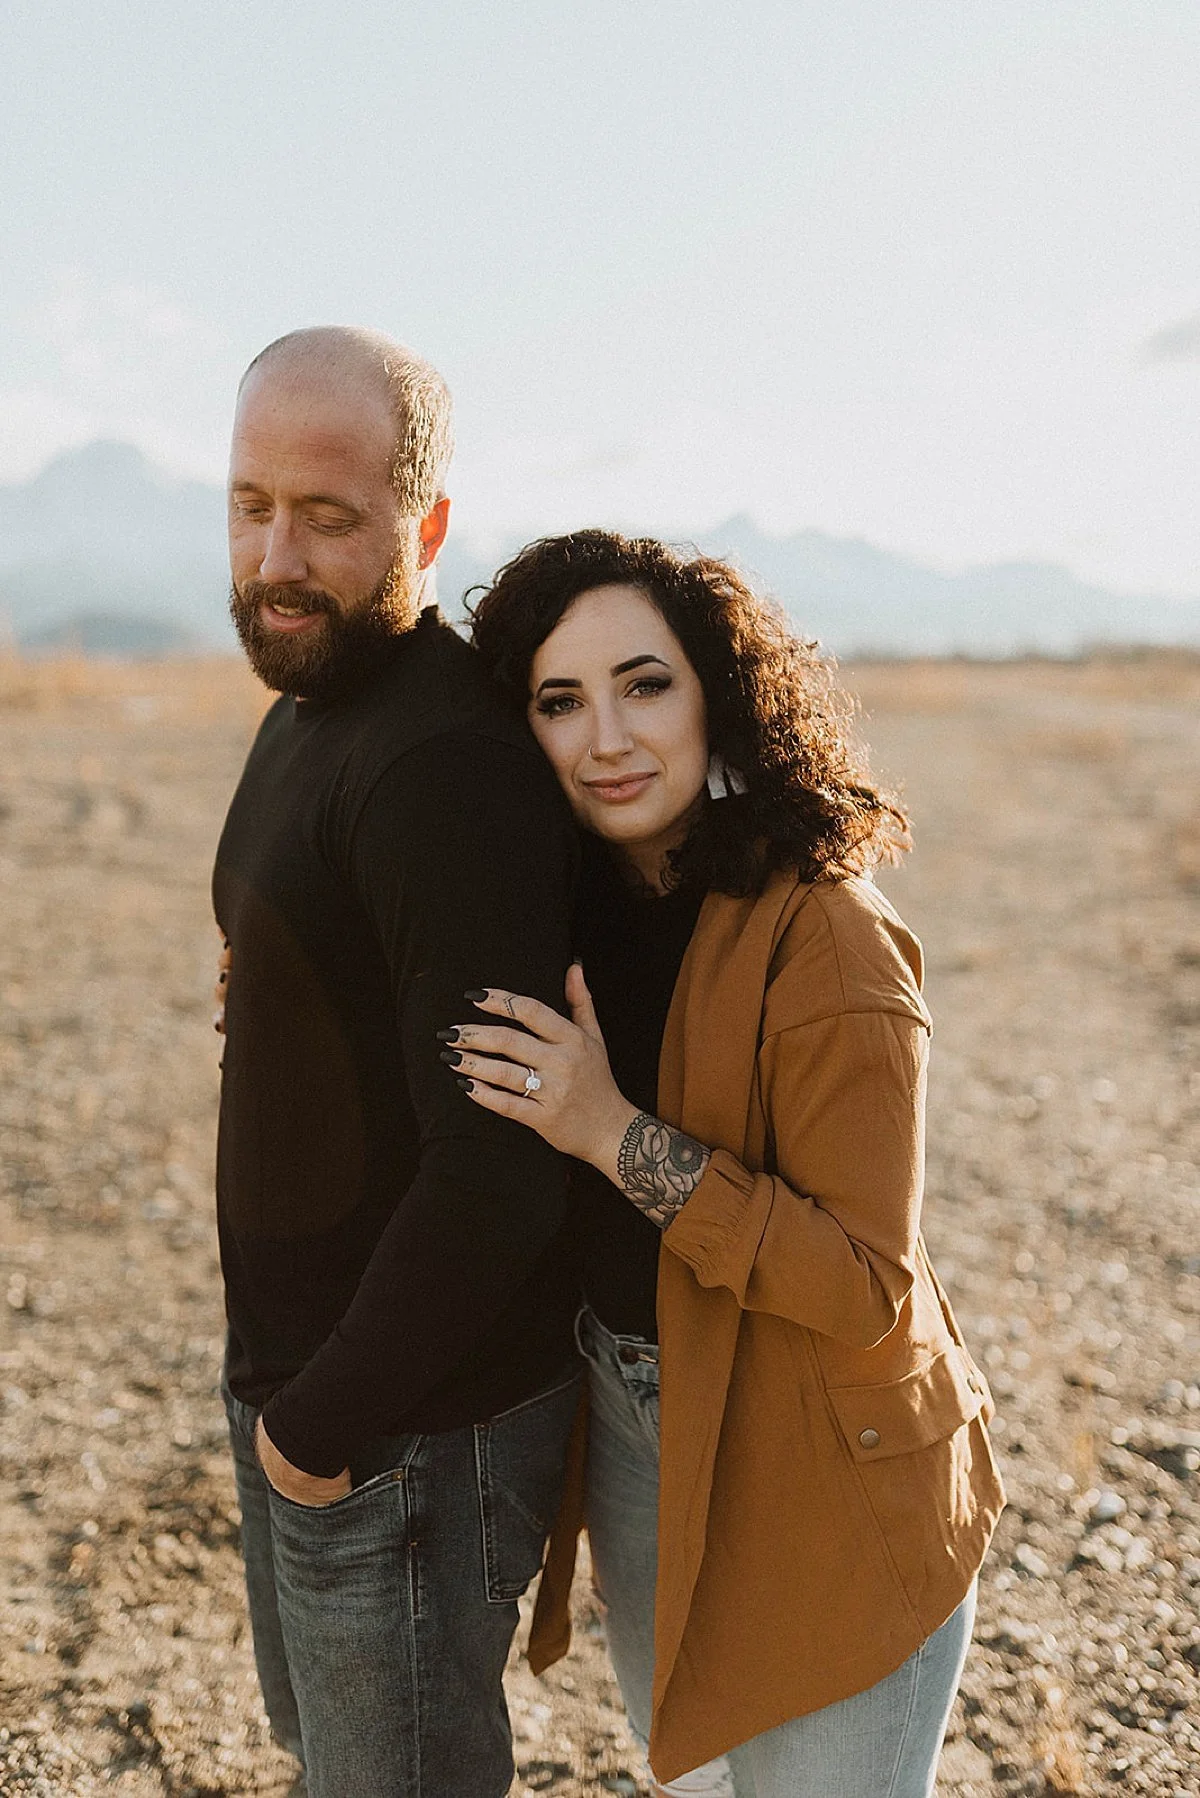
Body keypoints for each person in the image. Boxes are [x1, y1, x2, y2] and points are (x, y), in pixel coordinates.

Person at [449, 531, 1006, 1798]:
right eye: (559, 700)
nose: (607, 738)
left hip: (829, 1464)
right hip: (640, 1429)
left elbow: (863, 1282)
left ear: (721, 694)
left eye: (645, 684)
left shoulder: (829, 930)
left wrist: (611, 1131)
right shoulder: (553, 905)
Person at [212, 327, 582, 1798]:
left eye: (326, 515)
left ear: (424, 529)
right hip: (314, 1392)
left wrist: (320, 1426)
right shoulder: (312, 702)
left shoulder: (445, 765)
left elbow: (499, 1168)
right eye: (251, 505)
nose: (276, 556)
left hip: (405, 1429)